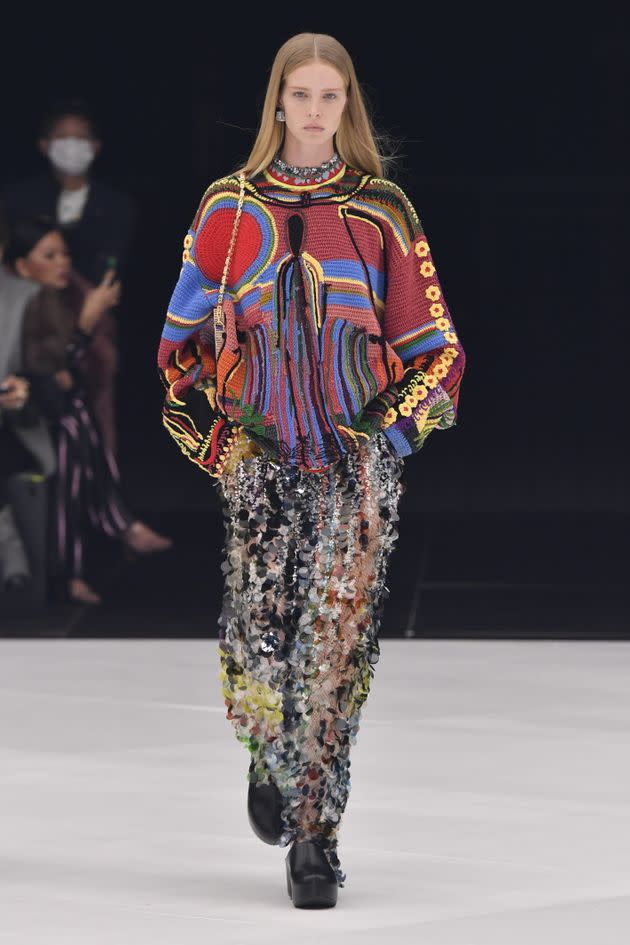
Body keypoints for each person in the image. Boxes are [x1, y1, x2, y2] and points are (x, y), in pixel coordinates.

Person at [157, 32, 466, 908]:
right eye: (303, 94)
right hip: (258, 457)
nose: (317, 110)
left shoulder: (381, 212)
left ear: (348, 107)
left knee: (336, 642)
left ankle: (315, 837)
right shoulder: (228, 209)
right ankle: (266, 745)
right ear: (278, 103)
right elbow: (176, 347)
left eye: (333, 96)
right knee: (262, 625)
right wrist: (219, 444)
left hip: (354, 462)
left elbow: (437, 352)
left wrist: (386, 438)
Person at [5, 217, 172, 605]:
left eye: (64, 253)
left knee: (78, 433)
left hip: (56, 409)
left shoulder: (56, 298)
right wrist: (85, 324)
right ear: (22, 264)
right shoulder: (25, 302)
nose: (62, 262)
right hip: (31, 415)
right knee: (72, 441)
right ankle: (114, 531)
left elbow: (69, 370)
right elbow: (47, 369)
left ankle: (102, 544)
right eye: (49, 255)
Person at [2, 99, 136, 455]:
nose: (73, 147)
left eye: (82, 139)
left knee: (95, 401)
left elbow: (111, 267)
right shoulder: (18, 199)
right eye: (63, 138)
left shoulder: (116, 205)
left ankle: (101, 495)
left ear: (96, 147)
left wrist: (89, 309)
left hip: (91, 312)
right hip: (33, 322)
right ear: (44, 146)